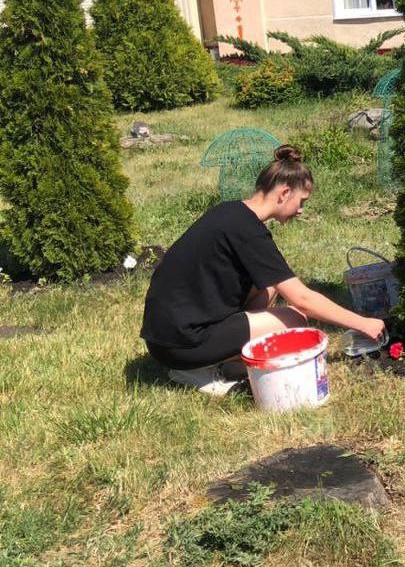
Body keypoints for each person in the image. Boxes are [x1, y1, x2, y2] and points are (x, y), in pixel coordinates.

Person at [140, 145, 386, 396]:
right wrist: (363, 323)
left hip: (164, 335)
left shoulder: (231, 212)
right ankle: (199, 369)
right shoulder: (247, 231)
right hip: (181, 345)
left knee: (268, 286)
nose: (300, 210)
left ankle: (219, 356)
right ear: (284, 193)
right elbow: (303, 300)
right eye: (301, 202)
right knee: (295, 319)